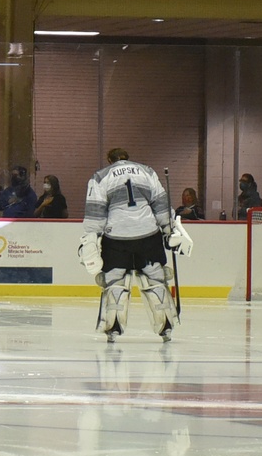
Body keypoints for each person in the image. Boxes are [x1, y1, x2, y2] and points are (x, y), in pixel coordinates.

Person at [79, 147, 192, 343]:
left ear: (109, 160)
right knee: (156, 279)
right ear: (127, 158)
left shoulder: (100, 177)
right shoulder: (147, 171)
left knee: (115, 282)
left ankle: (112, 328)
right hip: (148, 235)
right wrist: (168, 230)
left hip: (116, 239)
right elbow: (160, 204)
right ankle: (165, 327)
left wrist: (91, 238)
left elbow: (96, 212)